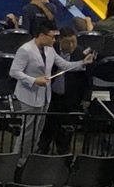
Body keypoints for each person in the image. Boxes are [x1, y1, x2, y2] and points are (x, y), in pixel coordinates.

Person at [8, 26, 90, 154]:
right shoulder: (26, 50)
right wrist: (34, 80)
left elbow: (64, 65)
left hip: (45, 98)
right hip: (29, 97)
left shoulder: (50, 50)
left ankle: (30, 156)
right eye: (52, 37)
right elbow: (14, 72)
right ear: (42, 35)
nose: (54, 40)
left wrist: (82, 63)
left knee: (37, 131)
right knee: (27, 132)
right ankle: (17, 158)